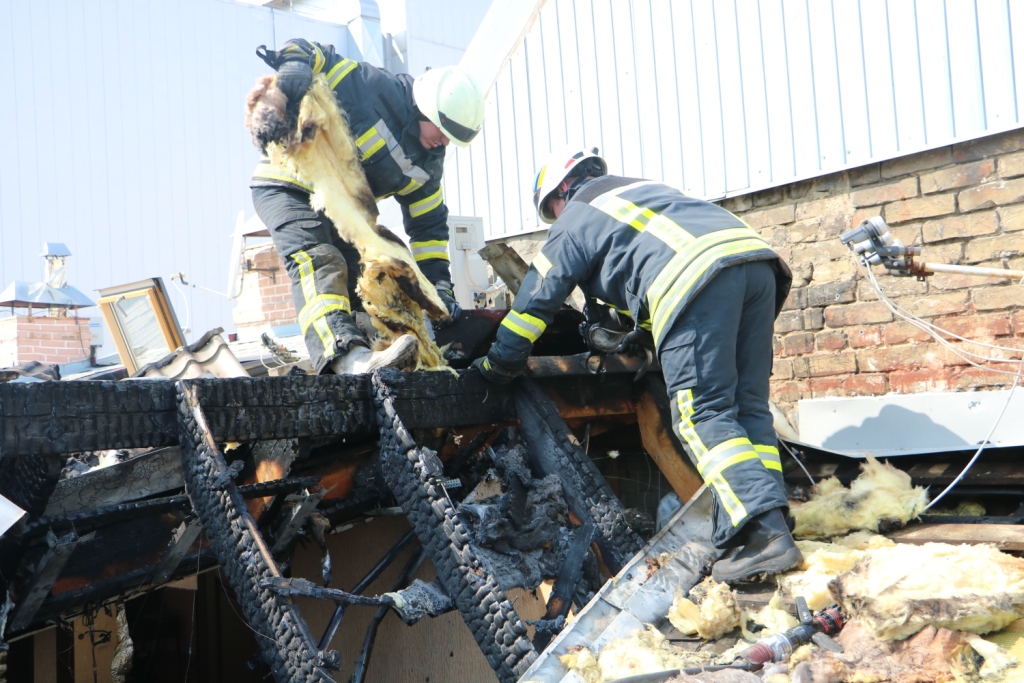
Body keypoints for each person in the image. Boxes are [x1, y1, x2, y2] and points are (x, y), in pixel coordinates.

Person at [472, 148, 801, 583]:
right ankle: (771, 519)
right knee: (747, 408)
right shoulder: (644, 192)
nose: (555, 218)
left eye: (551, 209)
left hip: (696, 281)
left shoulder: (577, 214)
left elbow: (538, 295)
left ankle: (767, 537)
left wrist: (502, 359)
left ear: (563, 189)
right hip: (757, 265)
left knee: (703, 413)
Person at [250, 39, 484, 374]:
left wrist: (439, 287)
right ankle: (345, 357)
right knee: (320, 262)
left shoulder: (428, 162)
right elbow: (316, 53)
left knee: (365, 279)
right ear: (425, 108)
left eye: (453, 138)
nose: (445, 141)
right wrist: (294, 68)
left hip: (341, 211)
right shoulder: (374, 88)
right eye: (444, 130)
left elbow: (428, 227)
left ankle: (375, 361)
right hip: (287, 184)